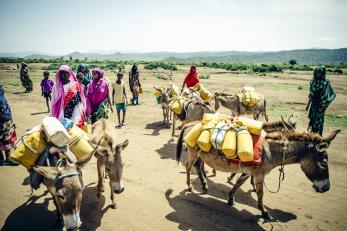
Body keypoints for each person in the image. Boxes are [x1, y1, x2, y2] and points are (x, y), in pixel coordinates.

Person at [306, 66, 336, 135]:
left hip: (321, 104)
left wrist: (323, 105)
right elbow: (311, 94)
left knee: (319, 119)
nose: (318, 74)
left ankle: (317, 134)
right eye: (317, 72)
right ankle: (311, 133)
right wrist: (308, 105)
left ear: (323, 73)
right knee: (312, 117)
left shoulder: (325, 83)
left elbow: (327, 94)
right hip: (313, 103)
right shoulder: (313, 82)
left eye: (320, 72)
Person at [0, 85, 18, 166]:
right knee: (5, 139)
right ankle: (3, 159)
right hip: (3, 119)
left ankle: (7, 158)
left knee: (7, 139)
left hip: (6, 118)